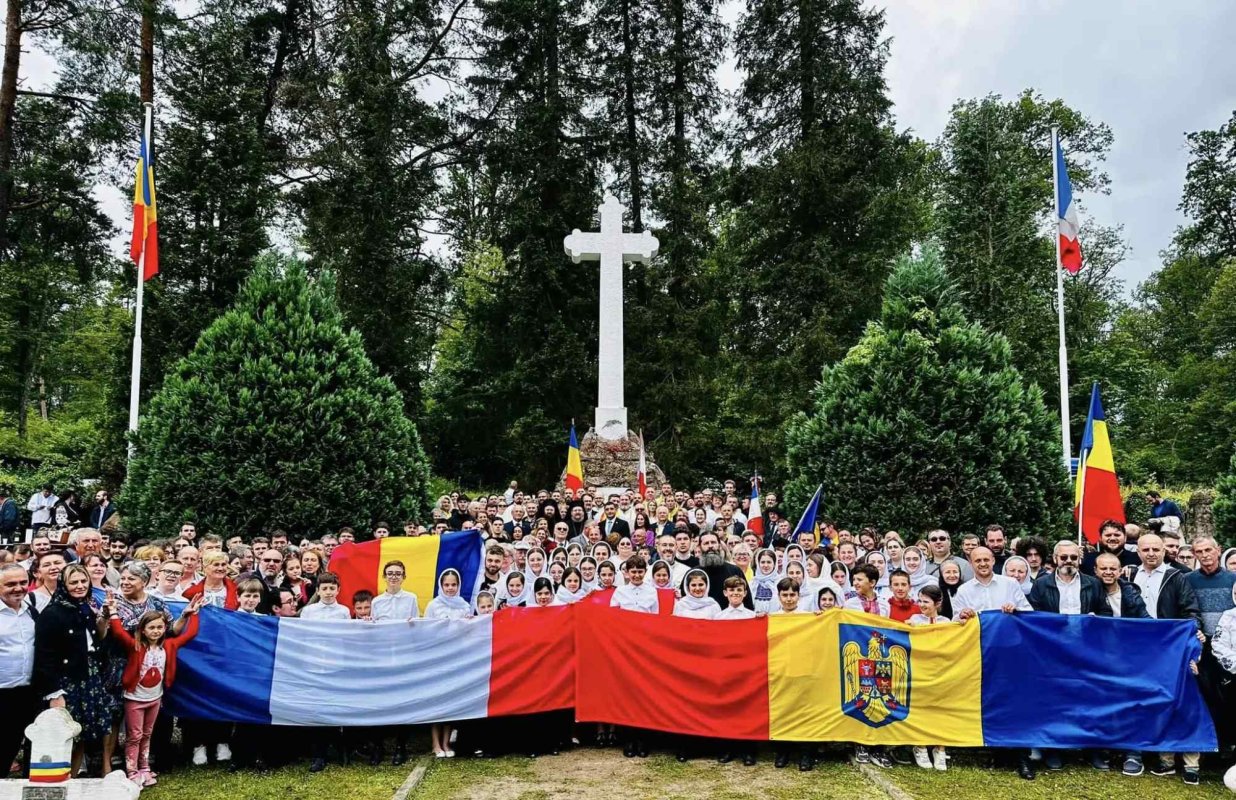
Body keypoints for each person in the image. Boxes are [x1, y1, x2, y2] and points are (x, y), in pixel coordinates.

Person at [1126, 533, 1202, 783]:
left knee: (1168, 698)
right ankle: (1135, 751)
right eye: (1145, 549)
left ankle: (1167, 756)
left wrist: (1192, 638)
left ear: (1164, 551)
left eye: (1155, 549)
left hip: (1167, 650)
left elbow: (1190, 611)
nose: (1151, 553)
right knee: (1136, 698)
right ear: (1138, 552)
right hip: (1135, 648)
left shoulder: (1176, 577)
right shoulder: (1128, 575)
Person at [106, 595, 204, 786]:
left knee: (147, 734)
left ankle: (145, 768)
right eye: (151, 628)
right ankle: (132, 771)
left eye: (160, 627)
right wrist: (113, 610)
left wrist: (193, 613)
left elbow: (190, 633)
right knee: (134, 736)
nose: (156, 631)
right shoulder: (136, 646)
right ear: (142, 629)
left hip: (155, 698)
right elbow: (118, 631)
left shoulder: (169, 645)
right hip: (135, 699)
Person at [32, 563, 115, 776]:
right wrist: (54, 693)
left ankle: (76, 776)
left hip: (90, 675)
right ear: (63, 584)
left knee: (84, 732)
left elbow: (97, 639)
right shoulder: (52, 613)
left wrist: (104, 617)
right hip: (67, 681)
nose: (80, 586)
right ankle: (61, 778)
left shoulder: (84, 607)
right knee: (67, 733)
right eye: (74, 582)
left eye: (83, 581)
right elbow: (44, 657)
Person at [0, 563, 39, 779]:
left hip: (26, 692)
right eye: (10, 584)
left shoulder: (31, 611)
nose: (18, 588)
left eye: (23, 582)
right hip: (1, 691)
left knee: (15, 745)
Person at [908, 585, 949, 771]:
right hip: (920, 670)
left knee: (940, 709)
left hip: (940, 671)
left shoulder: (947, 621)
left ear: (937, 603)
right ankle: (920, 745)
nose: (921, 604)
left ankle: (940, 747)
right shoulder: (914, 619)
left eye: (926, 601)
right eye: (920, 600)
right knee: (921, 707)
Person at [1028, 541, 1111, 617]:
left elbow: (1106, 612)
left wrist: (1096, 618)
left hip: (1085, 631)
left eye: (1074, 557)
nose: (1069, 560)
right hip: (1053, 632)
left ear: (1079, 559)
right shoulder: (1040, 584)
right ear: (1055, 558)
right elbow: (1033, 614)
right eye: (1063, 557)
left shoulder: (1094, 584)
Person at [953, 547, 1032, 620]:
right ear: (970, 564)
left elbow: (1029, 612)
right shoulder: (963, 591)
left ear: (993, 561)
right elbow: (955, 622)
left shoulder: (1011, 584)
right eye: (978, 561)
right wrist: (962, 615)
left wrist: (1016, 609)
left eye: (986, 560)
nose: (983, 564)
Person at [1094, 553, 1150, 618]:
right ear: (1095, 570)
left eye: (1113, 569)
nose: (1108, 572)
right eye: (1103, 569)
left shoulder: (1131, 592)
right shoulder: (1089, 591)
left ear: (1120, 571)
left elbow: (1145, 617)